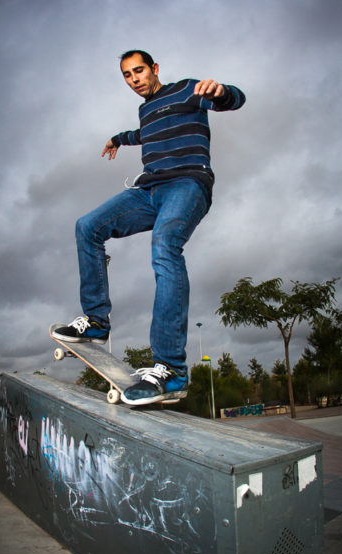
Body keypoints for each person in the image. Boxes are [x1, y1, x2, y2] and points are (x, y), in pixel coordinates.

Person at [52, 49, 245, 405]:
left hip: (188, 185)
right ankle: (96, 320)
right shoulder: (145, 110)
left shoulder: (187, 90)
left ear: (154, 68)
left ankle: (171, 369)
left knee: (164, 243)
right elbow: (142, 134)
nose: (134, 79)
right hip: (148, 192)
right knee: (87, 226)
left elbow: (233, 99)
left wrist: (222, 91)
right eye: (127, 75)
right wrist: (116, 139)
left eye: (139, 71)